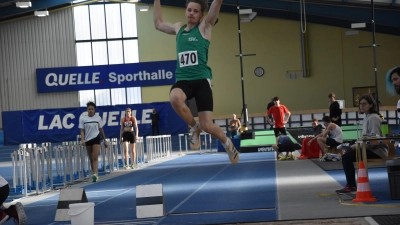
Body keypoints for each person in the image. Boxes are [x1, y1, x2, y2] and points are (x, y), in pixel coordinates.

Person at [153, 0, 239, 164]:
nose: (191, 13)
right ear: (185, 12)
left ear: (201, 15)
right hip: (184, 80)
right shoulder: (179, 28)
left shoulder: (204, 28)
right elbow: (158, 24)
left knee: (207, 125)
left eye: (195, 11)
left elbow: (215, 9)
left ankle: (228, 144)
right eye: (189, 10)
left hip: (201, 81)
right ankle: (194, 127)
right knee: (175, 98)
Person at [336, 94, 388, 194]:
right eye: (360, 104)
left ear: (371, 105)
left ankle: (351, 186)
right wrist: (353, 146)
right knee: (347, 155)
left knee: (346, 157)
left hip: (377, 151)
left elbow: (374, 140)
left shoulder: (373, 118)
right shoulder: (367, 117)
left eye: (364, 104)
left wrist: (355, 147)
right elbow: (365, 139)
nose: (361, 106)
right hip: (368, 148)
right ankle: (351, 185)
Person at [79, 101, 108, 182]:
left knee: (95, 156)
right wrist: (82, 139)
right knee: (91, 157)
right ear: (87, 110)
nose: (90, 110)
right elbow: (81, 130)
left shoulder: (97, 118)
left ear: (94, 110)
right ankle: (94, 173)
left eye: (92, 109)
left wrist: (104, 139)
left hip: (96, 138)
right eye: (89, 109)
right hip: (87, 139)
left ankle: (95, 174)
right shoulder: (83, 119)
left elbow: (101, 129)